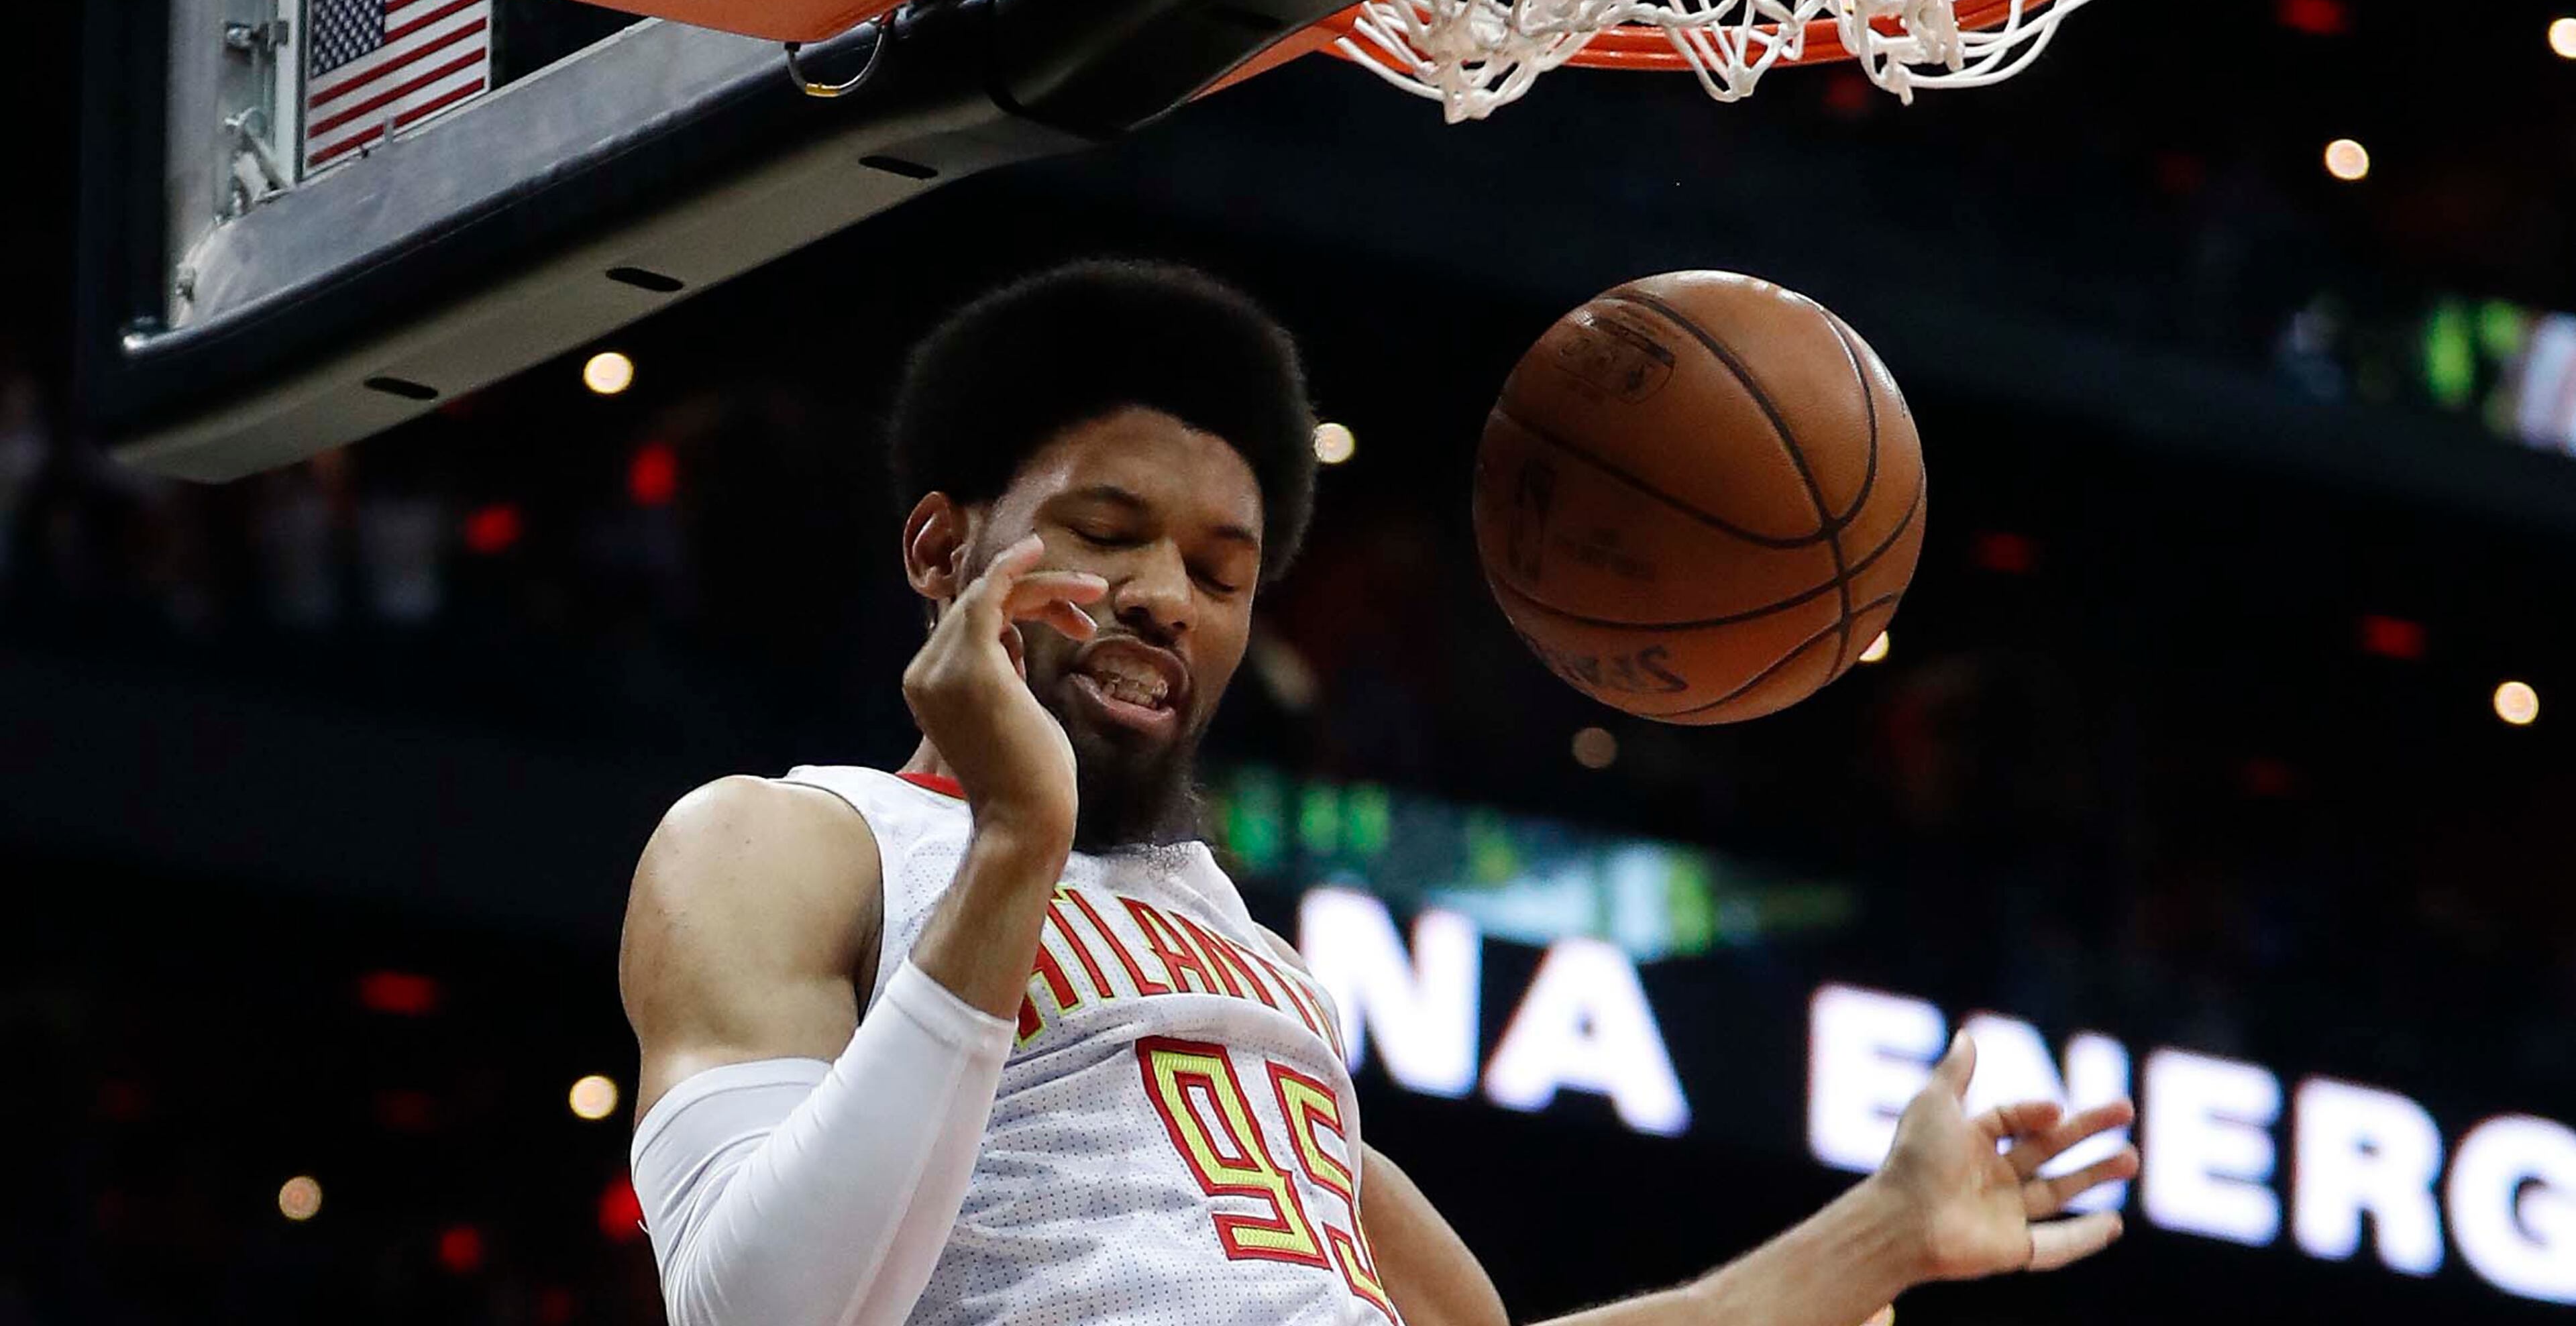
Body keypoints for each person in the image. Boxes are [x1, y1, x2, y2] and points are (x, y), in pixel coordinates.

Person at [616, 260, 2139, 1326]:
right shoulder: (785, 841)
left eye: (1223, 571)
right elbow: (759, 1309)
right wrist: (1019, 841)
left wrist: (1879, 1237)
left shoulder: (1267, 983)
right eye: (1108, 531)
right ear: (943, 553)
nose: (1167, 597)